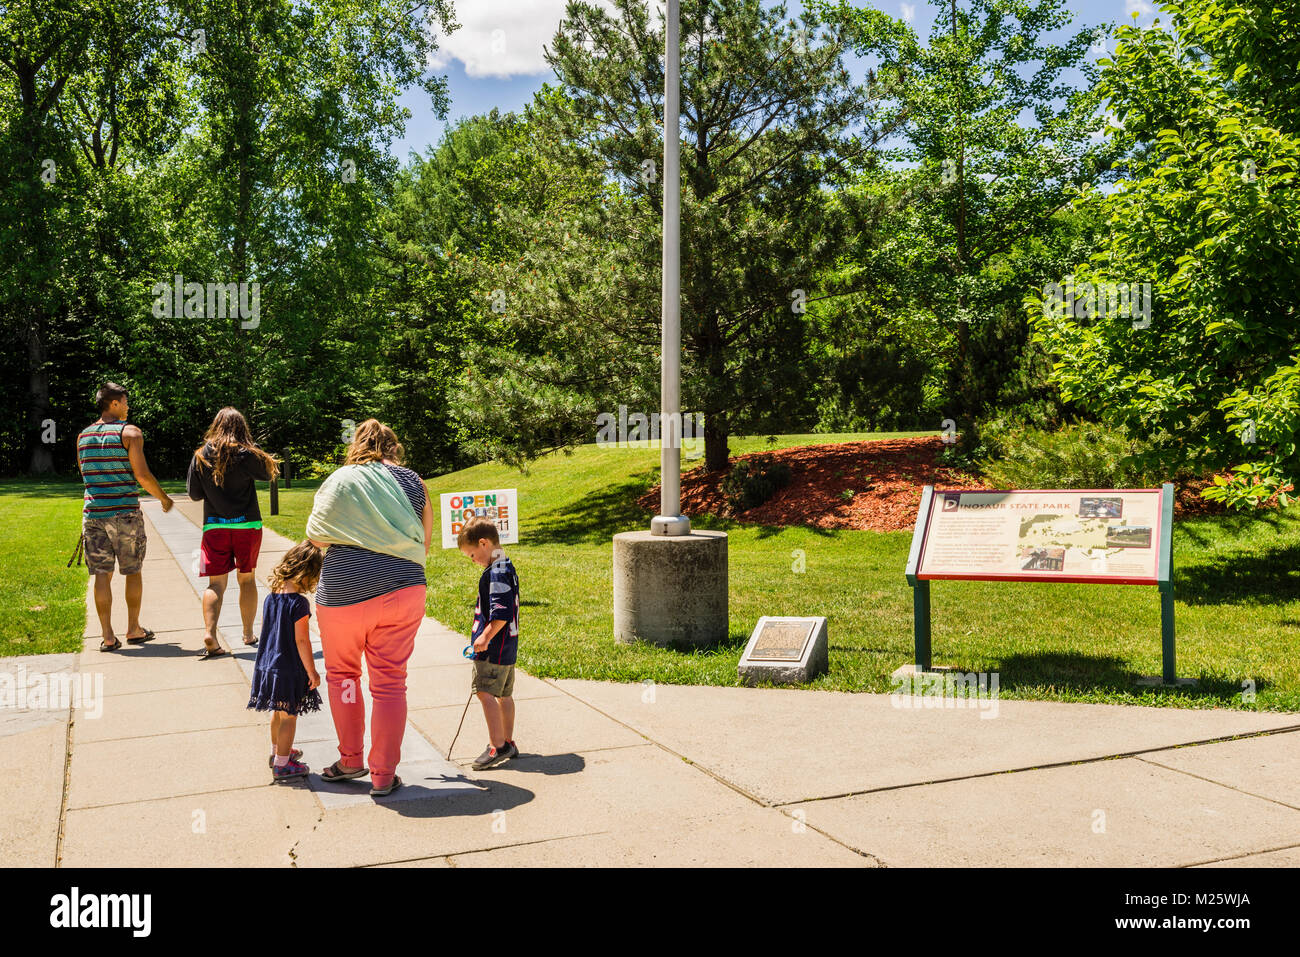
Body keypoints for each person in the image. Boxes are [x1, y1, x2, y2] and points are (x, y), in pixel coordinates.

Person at [306, 420, 432, 797]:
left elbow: (315, 533)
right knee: (390, 683)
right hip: (404, 587)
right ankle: (382, 775)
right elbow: (424, 541)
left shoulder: (342, 479)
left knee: (344, 676)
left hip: (345, 592)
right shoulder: (414, 481)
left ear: (356, 445)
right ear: (393, 447)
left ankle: (350, 760)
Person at [77, 382, 174, 652]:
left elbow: (86, 477)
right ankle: (133, 628)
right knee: (133, 571)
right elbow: (142, 476)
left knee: (101, 574)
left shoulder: (82, 436)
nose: (128, 407)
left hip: (94, 514)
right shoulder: (130, 433)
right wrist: (164, 499)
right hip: (125, 514)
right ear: (114, 403)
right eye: (125, 401)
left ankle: (108, 635)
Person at [186, 408, 278, 659]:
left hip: (215, 525)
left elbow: (194, 494)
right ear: (242, 427)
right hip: (247, 525)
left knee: (215, 583)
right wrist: (254, 448)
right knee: (246, 579)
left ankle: (210, 633)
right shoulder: (246, 454)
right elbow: (269, 473)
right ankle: (248, 634)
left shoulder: (200, 455)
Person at [248, 542, 323, 782]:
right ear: (309, 574)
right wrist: (312, 671)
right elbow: (302, 641)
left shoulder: (272, 596)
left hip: (267, 664)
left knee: (277, 713)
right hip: (288, 666)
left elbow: (266, 629)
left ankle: (277, 752)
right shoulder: (299, 603)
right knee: (290, 716)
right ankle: (283, 765)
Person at [457, 516, 521, 771]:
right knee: (504, 695)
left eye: (472, 555)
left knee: (484, 692)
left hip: (492, 649)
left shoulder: (496, 573)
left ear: (484, 544)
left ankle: (498, 746)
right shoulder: (506, 566)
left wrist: (483, 637)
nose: (473, 561)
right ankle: (507, 741)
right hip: (507, 648)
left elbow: (501, 613)